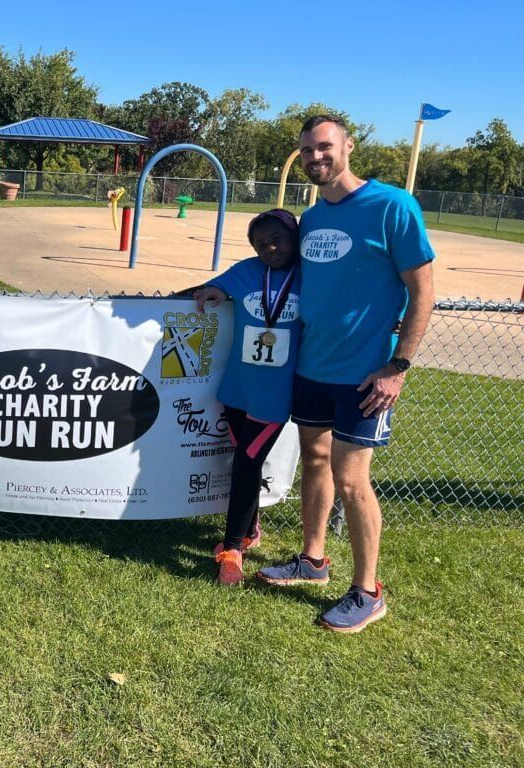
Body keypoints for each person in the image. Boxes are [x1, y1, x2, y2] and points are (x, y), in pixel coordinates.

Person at [255, 115, 435, 633]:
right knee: (314, 459)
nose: (317, 158)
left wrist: (398, 366)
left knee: (352, 480)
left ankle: (367, 591)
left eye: (325, 147)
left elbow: (422, 292)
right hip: (312, 367)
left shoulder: (393, 206)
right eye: (308, 150)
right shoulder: (310, 220)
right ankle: (313, 561)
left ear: (349, 147)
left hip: (364, 376)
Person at [191, 209, 302, 586]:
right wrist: (214, 292)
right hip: (238, 386)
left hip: (276, 394)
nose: (269, 247)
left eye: (277, 239)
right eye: (260, 243)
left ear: (294, 236)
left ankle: (233, 548)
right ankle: (251, 529)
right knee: (243, 460)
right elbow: (214, 289)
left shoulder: (310, 276)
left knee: (245, 464)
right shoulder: (248, 270)